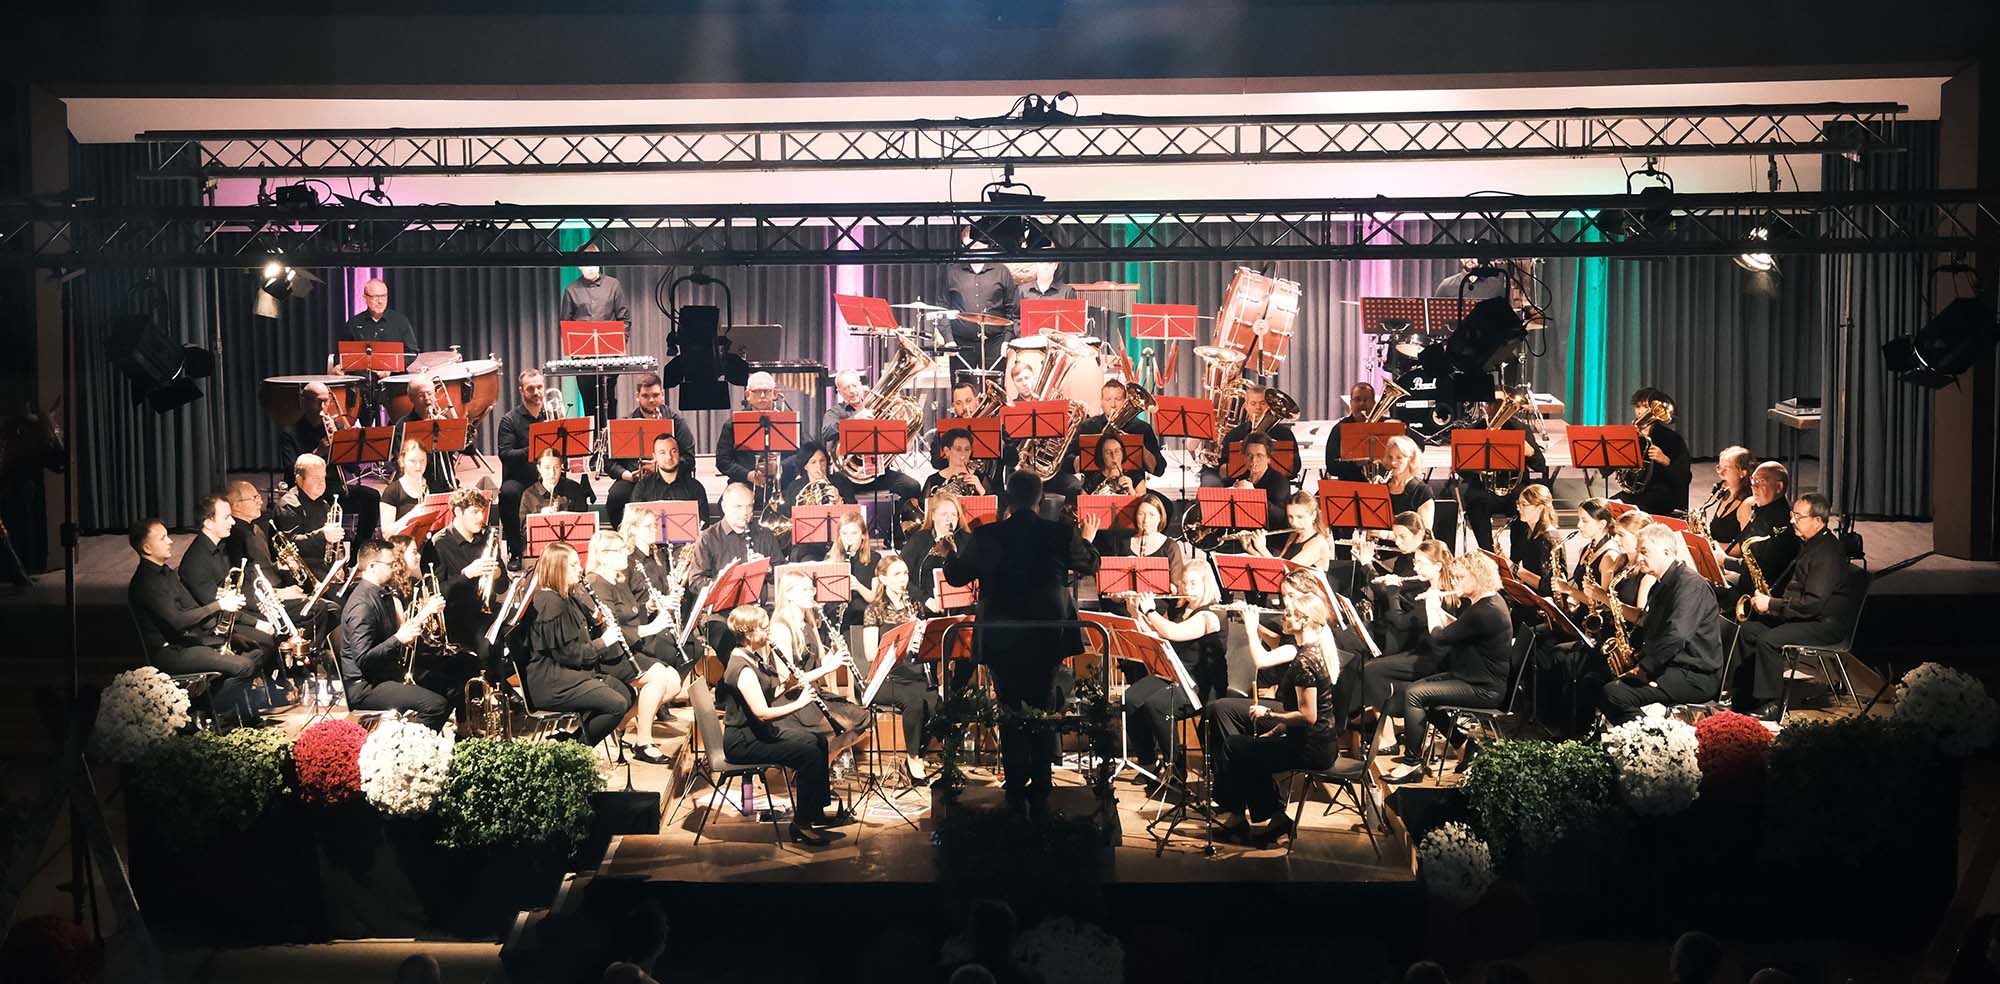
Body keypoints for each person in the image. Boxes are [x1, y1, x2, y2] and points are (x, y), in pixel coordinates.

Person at [943, 471, 1102, 816]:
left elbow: (956, 576)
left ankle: (1015, 783)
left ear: (1009, 499)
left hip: (1001, 636)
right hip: (1047, 635)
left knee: (1010, 708)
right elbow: (1090, 564)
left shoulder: (987, 534)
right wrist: (1087, 538)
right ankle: (1042, 783)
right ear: (1039, 498)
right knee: (1043, 706)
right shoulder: (1059, 533)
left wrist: (949, 554)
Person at [1209, 585, 1339, 845]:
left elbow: (1309, 716)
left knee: (1235, 747)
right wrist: (1278, 728)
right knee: (1245, 749)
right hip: (1317, 742)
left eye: (1288, 614)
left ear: (1304, 620)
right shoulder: (1313, 650)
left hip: (1311, 748)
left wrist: (1269, 713)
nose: (1283, 618)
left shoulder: (1305, 662)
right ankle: (1271, 818)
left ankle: (1244, 816)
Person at [716, 604, 840, 845]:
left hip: (758, 733)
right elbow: (762, 713)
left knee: (818, 741)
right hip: (744, 742)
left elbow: (767, 694)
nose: (768, 632)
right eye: (763, 628)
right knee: (808, 755)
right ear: (748, 633)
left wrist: (788, 685)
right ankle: (801, 824)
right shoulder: (742, 668)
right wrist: (800, 703)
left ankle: (815, 811)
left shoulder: (750, 656)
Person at [1729, 494, 1861, 721]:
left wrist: (1772, 604)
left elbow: (1813, 603)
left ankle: (1771, 704)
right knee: (1749, 630)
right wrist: (1771, 605)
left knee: (1768, 640)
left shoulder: (1826, 553)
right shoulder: (1811, 544)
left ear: (1818, 521)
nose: (1792, 521)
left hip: (1824, 625)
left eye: (1799, 517)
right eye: (1792, 515)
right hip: (1807, 617)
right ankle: (1743, 696)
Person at [1387, 553, 1512, 782]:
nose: (1454, 582)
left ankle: (1411, 764)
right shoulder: (1489, 602)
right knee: (1417, 691)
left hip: (1484, 688)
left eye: (1460, 577)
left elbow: (1440, 638)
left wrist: (1431, 608)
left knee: (1415, 695)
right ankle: (1464, 744)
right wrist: (1439, 612)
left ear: (1478, 577)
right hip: (1472, 677)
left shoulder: (1483, 611)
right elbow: (1459, 628)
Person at [127, 517, 258, 716]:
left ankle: (225, 707)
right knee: (244, 666)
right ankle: (200, 708)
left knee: (254, 652)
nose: (170, 541)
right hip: (170, 653)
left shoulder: (167, 573)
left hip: (187, 642)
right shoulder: (146, 582)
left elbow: (193, 608)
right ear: (147, 548)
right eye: (163, 538)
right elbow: (178, 621)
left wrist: (228, 635)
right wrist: (220, 604)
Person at [1600, 524, 1725, 720]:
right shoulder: (1662, 583)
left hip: (1692, 676)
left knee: (1614, 694)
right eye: (1638, 551)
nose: (1639, 558)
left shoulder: (1690, 585)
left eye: (1644, 552)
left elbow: (1677, 635)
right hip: (1670, 665)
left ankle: (1650, 736)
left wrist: (1645, 668)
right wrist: (1637, 656)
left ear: (1666, 552)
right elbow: (1656, 628)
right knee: (1596, 676)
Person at [584, 530, 687, 764]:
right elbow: (612, 628)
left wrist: (649, 607)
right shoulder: (596, 583)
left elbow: (629, 613)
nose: (626, 553)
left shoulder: (618, 580)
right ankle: (644, 742)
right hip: (610, 655)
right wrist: (650, 628)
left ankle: (619, 723)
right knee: (658, 677)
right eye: (620, 550)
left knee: (673, 683)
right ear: (603, 555)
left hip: (628, 648)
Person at [1119, 559, 1226, 779]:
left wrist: (1150, 610)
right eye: (1184, 583)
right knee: (1130, 700)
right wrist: (1135, 612)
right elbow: (1156, 635)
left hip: (1199, 683)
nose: (1187, 588)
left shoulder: (1212, 615)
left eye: (1193, 583)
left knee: (1157, 705)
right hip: (1173, 674)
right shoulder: (1181, 609)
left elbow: (1173, 633)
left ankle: (1175, 767)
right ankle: (1148, 762)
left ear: (1206, 584)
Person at [524, 542, 635, 746]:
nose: (580, 569)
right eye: (573, 565)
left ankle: (570, 743)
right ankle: (577, 750)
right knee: (616, 704)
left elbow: (581, 636)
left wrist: (598, 622)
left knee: (627, 694)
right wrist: (605, 641)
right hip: (553, 682)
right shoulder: (549, 603)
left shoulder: (567, 597)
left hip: (572, 674)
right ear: (557, 569)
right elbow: (569, 654)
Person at [338, 539, 452, 729]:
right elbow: (363, 659)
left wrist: (414, 624)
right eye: (390, 564)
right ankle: (400, 741)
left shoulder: (380, 594)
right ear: (372, 566)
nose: (395, 568)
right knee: (436, 706)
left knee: (451, 686)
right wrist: (398, 639)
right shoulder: (362, 605)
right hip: (366, 688)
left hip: (385, 673)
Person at [179, 493, 282, 670]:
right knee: (266, 639)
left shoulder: (221, 547)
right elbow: (217, 607)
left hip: (231, 615)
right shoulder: (196, 561)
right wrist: (256, 623)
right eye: (226, 517)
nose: (233, 522)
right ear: (208, 523)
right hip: (213, 625)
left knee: (278, 622)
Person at [862, 554, 939, 783]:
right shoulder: (874, 610)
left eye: (905, 573)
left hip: (913, 674)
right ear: (882, 578)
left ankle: (919, 753)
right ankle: (914, 759)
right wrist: (902, 648)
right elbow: (870, 654)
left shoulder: (914, 607)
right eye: (896, 574)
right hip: (885, 678)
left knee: (936, 703)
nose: (903, 579)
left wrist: (921, 641)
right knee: (914, 703)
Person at [278, 380, 381, 535]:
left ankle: (360, 546)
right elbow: (290, 472)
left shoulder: (336, 428)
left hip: (334, 489)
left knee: (372, 497)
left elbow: (352, 468)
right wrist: (318, 453)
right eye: (318, 401)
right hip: (307, 493)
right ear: (305, 402)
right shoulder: (290, 433)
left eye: (326, 401)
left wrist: (340, 439)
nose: (322, 407)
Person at [421, 487, 507, 660]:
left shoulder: (487, 537)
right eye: (475, 512)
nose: (481, 518)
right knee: (489, 644)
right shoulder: (438, 544)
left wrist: (497, 574)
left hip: (487, 609)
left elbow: (503, 586)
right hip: (457, 615)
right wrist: (466, 574)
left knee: (527, 624)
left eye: (482, 512)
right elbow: (434, 593)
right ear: (458, 512)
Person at [603, 372, 696, 526]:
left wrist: (662, 467)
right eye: (646, 396)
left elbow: (689, 459)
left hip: (670, 477)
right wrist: (627, 475)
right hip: (634, 479)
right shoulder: (625, 423)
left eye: (655, 395)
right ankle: (625, 536)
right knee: (616, 497)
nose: (651, 400)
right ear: (637, 396)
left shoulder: (677, 423)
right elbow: (608, 462)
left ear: (662, 395)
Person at [560, 240, 631, 421]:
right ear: (579, 266)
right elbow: (565, 324)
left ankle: (609, 438)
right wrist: (577, 352)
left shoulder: (613, 285)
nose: (590, 267)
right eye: (585, 263)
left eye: (593, 262)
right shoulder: (571, 290)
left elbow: (624, 318)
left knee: (609, 402)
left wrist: (618, 345)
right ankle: (593, 438)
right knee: (589, 404)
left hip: (610, 357)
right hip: (583, 359)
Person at [496, 369, 556, 560]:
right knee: (508, 493)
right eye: (531, 389)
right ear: (521, 390)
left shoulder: (552, 415)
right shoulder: (509, 420)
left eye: (539, 387)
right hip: (521, 477)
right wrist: (534, 448)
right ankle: (515, 552)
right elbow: (506, 455)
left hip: (549, 475)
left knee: (576, 491)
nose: (537, 392)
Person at [688, 482, 781, 597]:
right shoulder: (707, 539)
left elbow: (783, 574)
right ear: (724, 507)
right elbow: (696, 581)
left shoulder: (765, 535)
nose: (745, 512)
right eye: (738, 506)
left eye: (749, 506)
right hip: (721, 606)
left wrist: (769, 569)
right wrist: (726, 584)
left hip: (757, 606)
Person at [1612, 387, 1692, 516]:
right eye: (1637, 407)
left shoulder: (1673, 439)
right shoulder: (1631, 437)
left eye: (1645, 406)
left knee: (1631, 513)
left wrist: (1666, 461)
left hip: (1663, 494)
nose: (1640, 411)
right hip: (1636, 493)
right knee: (1608, 508)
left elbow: (1685, 478)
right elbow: (1613, 470)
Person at [1203, 385, 1297, 488]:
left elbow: (1295, 469)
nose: (1258, 408)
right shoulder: (1234, 434)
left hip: (1274, 484)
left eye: (1263, 403)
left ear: (1270, 406)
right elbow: (1223, 470)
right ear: (1246, 407)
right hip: (1240, 485)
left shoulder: (1284, 434)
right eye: (1253, 403)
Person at [274, 453, 349, 581]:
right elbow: (290, 544)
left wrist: (339, 564)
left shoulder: (324, 504)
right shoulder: (288, 505)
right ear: (299, 479)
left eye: (323, 477)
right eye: (315, 478)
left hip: (325, 567)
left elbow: (337, 542)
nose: (321, 483)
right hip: (304, 569)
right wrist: (322, 535)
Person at [1070, 381, 1164, 479]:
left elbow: (1159, 469)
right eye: (1108, 400)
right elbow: (1067, 463)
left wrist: (1140, 447)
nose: (1113, 405)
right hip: (1094, 485)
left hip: (1133, 485)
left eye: (1118, 399)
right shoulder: (1088, 426)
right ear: (1101, 402)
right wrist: (1088, 455)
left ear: (1125, 401)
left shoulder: (1142, 428)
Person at [944, 243, 1019, 363]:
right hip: (960, 343)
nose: (975, 247)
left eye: (979, 243)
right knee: (962, 377)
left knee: (995, 376)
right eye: (970, 244)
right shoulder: (952, 273)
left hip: (996, 343)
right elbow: (943, 308)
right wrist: (948, 339)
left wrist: (1007, 339)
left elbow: (1012, 309)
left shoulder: (1002, 271)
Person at [901, 492, 964, 615]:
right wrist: (926, 600)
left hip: (960, 609)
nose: (949, 519)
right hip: (927, 607)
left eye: (953, 514)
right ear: (933, 515)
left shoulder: (965, 540)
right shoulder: (919, 540)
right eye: (944, 514)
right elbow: (902, 578)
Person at [629, 432, 713, 524]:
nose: (669, 457)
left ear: (679, 453)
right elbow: (635, 523)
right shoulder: (642, 487)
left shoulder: (695, 487)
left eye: (673, 451)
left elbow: (704, 524)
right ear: (654, 456)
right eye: (662, 453)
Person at [1247, 491, 1332, 571]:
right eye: (1290, 516)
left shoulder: (1318, 543)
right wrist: (1250, 548)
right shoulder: (1294, 535)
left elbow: (1286, 571)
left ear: (1313, 515)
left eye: (1300, 517)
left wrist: (1262, 548)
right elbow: (1278, 561)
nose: (1294, 522)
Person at [827, 510, 878, 629]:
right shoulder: (831, 559)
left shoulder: (874, 559)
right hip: (836, 617)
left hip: (861, 618)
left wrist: (858, 586)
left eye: (854, 533)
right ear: (839, 536)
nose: (849, 538)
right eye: (844, 533)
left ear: (863, 535)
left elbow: (875, 599)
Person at [1231, 432, 1291, 529]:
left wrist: (1253, 495)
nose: (1253, 460)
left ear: (1269, 458)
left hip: (1269, 534)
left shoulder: (1280, 481)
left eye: (1259, 455)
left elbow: (1280, 518)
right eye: (1249, 455)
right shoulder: (1241, 479)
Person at [342, 278, 419, 353]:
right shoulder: (353, 323)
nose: (380, 301)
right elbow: (342, 354)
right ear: (365, 298)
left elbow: (412, 352)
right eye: (375, 297)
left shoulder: (400, 321)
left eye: (383, 296)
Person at [1324, 381, 1381, 482]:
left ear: (1374, 403)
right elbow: (1332, 467)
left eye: (1366, 399)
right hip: (1350, 484)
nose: (1362, 403)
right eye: (1357, 399)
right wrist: (1355, 463)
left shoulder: (1386, 425)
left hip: (1383, 485)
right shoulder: (1339, 429)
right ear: (1351, 403)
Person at [520, 447, 590, 528]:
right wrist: (540, 517)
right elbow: (524, 530)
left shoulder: (574, 489)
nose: (552, 473)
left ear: (561, 467)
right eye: (547, 468)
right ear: (539, 468)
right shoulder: (529, 494)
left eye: (556, 467)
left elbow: (583, 524)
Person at [1379, 435, 1436, 534]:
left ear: (1411, 459)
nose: (1393, 462)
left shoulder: (1422, 491)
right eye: (1390, 457)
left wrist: (1386, 535)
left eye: (1399, 458)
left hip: (1408, 544)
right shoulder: (1382, 487)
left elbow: (1424, 534)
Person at [378, 438, 435, 536]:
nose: (419, 466)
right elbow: (386, 533)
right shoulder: (392, 491)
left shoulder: (434, 486)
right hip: (403, 543)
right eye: (413, 461)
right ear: (402, 461)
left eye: (422, 460)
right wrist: (412, 515)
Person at [1703, 446, 1756, 545]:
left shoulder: (1748, 504)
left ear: (1742, 473)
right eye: (1719, 467)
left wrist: (1710, 547)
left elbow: (1745, 547)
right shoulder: (1726, 493)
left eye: (1726, 469)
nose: (1720, 473)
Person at [923, 429, 989, 498]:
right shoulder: (933, 480)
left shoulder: (981, 478)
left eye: (967, 449)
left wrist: (981, 490)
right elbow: (925, 504)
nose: (963, 453)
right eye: (958, 449)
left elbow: (994, 504)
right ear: (947, 451)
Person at [1079, 432, 1145, 498]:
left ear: (1122, 453)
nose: (1113, 456)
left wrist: (1131, 491)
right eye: (1108, 452)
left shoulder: (1136, 479)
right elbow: (1083, 502)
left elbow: (1143, 502)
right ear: (1101, 455)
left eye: (1117, 451)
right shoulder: (1092, 481)